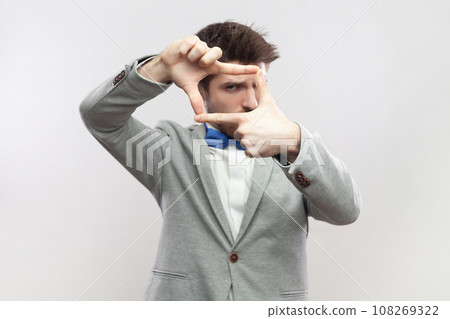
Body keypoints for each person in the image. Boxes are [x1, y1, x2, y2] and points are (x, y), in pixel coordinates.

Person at [79, 21, 361, 301]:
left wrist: (293, 140)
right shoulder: (168, 149)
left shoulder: (298, 150)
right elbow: (99, 117)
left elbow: (346, 211)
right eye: (233, 87)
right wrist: (159, 68)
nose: (251, 102)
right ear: (202, 90)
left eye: (259, 85)